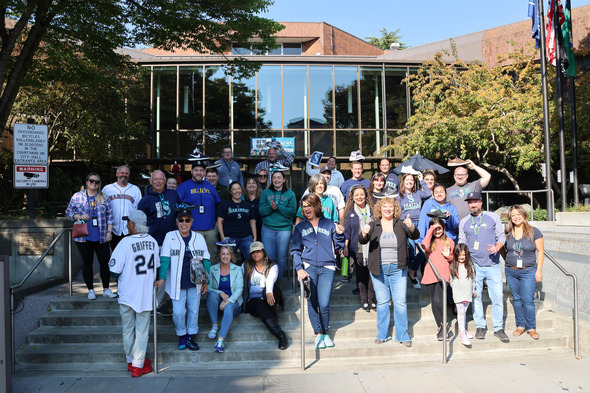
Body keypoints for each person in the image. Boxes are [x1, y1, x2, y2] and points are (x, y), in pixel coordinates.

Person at [359, 198, 419, 347]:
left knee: (400, 302)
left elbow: (415, 235)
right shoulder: (373, 225)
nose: (387, 209)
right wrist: (364, 233)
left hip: (398, 269)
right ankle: (383, 334)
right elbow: (362, 240)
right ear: (379, 209)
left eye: (390, 206)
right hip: (378, 269)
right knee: (383, 302)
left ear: (395, 209)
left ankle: (402, 335)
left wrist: (411, 227)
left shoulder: (400, 224)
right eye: (384, 206)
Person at [109, 210, 159, 377]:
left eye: (128, 222)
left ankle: (133, 363)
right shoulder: (152, 241)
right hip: (145, 293)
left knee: (128, 329)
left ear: (133, 224)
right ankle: (137, 362)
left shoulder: (125, 242)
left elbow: (114, 270)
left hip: (127, 293)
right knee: (142, 329)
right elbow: (157, 267)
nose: (127, 224)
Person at [291, 194, 345, 349]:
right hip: (309, 268)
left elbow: (339, 246)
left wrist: (340, 235)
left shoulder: (329, 224)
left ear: (316, 206)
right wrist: (299, 268)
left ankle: (325, 332)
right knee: (312, 301)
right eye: (304, 206)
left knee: (324, 302)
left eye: (309, 205)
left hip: (327, 267)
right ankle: (317, 334)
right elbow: (295, 250)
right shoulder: (300, 227)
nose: (306, 209)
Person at [458, 191, 508, 342]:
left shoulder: (492, 217)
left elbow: (502, 236)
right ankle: (480, 326)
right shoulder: (464, 221)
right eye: (470, 202)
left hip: (492, 264)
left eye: (475, 202)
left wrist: (498, 247)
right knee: (476, 297)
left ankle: (498, 328)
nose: (472, 205)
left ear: (481, 202)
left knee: (497, 297)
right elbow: (462, 240)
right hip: (474, 266)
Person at [159, 209, 211, 351]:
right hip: (177, 282)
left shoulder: (199, 238)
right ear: (176, 222)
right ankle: (181, 333)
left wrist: (206, 281)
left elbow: (206, 260)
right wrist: (161, 277)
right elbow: (164, 259)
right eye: (180, 220)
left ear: (192, 222)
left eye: (187, 220)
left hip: (195, 282)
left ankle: (190, 336)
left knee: (193, 310)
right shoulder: (170, 236)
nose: (184, 223)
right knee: (178, 312)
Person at [66, 173, 116, 300]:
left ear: (99, 184)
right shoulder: (77, 196)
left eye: (97, 182)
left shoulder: (104, 197)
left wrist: (109, 233)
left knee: (104, 263)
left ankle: (106, 288)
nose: (94, 183)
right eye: (91, 180)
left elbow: (110, 216)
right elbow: (68, 212)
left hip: (101, 236)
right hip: (83, 236)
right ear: (87, 181)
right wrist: (78, 216)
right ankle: (90, 290)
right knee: (87, 263)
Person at [137, 169, 180, 316]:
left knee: (165, 273)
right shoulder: (145, 200)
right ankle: (147, 303)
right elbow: (139, 222)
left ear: (165, 180)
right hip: (152, 243)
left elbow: (180, 213)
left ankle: (158, 303)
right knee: (151, 274)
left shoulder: (173, 194)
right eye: (155, 179)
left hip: (171, 242)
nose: (158, 181)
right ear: (151, 181)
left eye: (161, 179)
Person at [502, 205, 544, 340]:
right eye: (513, 215)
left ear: (524, 215)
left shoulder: (533, 231)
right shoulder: (507, 232)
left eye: (518, 214)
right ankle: (520, 326)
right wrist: (509, 261)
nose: (516, 217)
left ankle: (531, 327)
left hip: (528, 271)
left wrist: (539, 270)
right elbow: (503, 249)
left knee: (528, 300)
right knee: (517, 299)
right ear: (510, 218)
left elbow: (540, 251)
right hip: (511, 271)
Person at [242, 241, 288, 350]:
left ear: (263, 252)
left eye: (258, 251)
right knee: (257, 302)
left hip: (269, 298)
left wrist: (268, 292)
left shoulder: (272, 266)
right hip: (253, 302)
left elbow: (270, 280)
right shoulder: (246, 265)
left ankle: (273, 312)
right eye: (253, 252)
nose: (255, 254)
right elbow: (240, 282)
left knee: (272, 289)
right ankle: (280, 334)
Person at [176, 162, 221, 259]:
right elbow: (176, 206)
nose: (198, 173)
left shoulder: (209, 186)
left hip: (211, 229)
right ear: (191, 172)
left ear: (204, 172)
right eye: (196, 170)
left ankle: (211, 274)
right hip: (192, 229)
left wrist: (217, 223)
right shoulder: (184, 186)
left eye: (201, 170)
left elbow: (218, 204)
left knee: (212, 256)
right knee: (194, 258)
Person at [343, 185, 376, 312]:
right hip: (358, 247)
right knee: (361, 274)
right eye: (356, 195)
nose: (359, 197)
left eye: (362, 194)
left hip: (373, 246)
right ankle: (363, 298)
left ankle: (371, 298)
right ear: (352, 197)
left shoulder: (372, 210)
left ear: (366, 196)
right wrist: (345, 246)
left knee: (372, 273)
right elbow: (348, 232)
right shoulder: (350, 213)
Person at [259, 171, 297, 280]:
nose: (276, 180)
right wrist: (270, 207)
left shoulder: (290, 194)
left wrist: (278, 207)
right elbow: (261, 211)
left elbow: (292, 212)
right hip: (268, 228)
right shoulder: (266, 192)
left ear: (284, 179)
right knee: (270, 257)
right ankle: (270, 280)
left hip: (284, 229)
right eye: (274, 178)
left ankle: (278, 282)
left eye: (279, 177)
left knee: (281, 257)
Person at [421, 217, 454, 341]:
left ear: (443, 228)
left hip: (442, 275)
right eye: (434, 229)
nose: (437, 231)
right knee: (434, 303)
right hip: (431, 274)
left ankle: (445, 324)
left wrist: (448, 256)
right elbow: (424, 245)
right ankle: (441, 327)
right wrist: (431, 230)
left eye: (439, 228)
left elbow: (453, 259)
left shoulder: (449, 241)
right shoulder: (430, 242)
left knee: (439, 301)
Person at [206, 246, 243, 353]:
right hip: (218, 302)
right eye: (223, 254)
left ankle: (220, 340)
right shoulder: (213, 269)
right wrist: (220, 293)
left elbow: (239, 289)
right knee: (212, 294)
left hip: (233, 302)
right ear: (219, 255)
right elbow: (207, 287)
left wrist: (227, 301)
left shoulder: (237, 269)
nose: (225, 256)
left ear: (231, 256)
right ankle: (214, 325)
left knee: (229, 307)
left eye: (228, 254)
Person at [398, 172, 432, 287]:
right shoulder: (400, 195)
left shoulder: (418, 193)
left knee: (423, 248)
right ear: (403, 182)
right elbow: (397, 212)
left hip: (420, 223)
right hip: (407, 224)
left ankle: (412, 271)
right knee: (411, 251)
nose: (409, 182)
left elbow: (428, 193)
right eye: (407, 180)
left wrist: (422, 180)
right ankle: (414, 278)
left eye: (412, 180)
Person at [102, 165, 142, 249]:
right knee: (114, 255)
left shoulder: (135, 189)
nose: (124, 175)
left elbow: (139, 210)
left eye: (126, 173)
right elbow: (101, 209)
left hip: (129, 229)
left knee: (129, 255)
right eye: (122, 173)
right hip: (112, 229)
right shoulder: (107, 189)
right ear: (117, 174)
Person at [216, 181, 257, 261]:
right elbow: (219, 221)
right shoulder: (224, 205)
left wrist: (254, 237)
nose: (237, 191)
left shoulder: (247, 205)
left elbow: (252, 222)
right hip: (230, 237)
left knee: (251, 259)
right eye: (234, 189)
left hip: (246, 237)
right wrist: (222, 237)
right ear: (230, 192)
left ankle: (248, 273)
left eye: (238, 188)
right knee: (228, 260)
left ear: (241, 190)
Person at [450, 243, 476, 346]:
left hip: (468, 293)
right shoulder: (453, 266)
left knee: (464, 312)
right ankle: (462, 334)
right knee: (461, 314)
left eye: (464, 255)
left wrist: (474, 290)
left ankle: (464, 330)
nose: (461, 257)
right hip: (458, 294)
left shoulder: (470, 266)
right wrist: (455, 290)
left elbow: (473, 280)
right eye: (459, 255)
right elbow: (451, 281)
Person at [244, 176, 263, 241]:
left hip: (260, 229)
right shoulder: (242, 199)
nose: (251, 185)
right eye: (249, 183)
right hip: (246, 230)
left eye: (253, 183)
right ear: (245, 185)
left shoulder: (262, 198)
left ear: (257, 185)